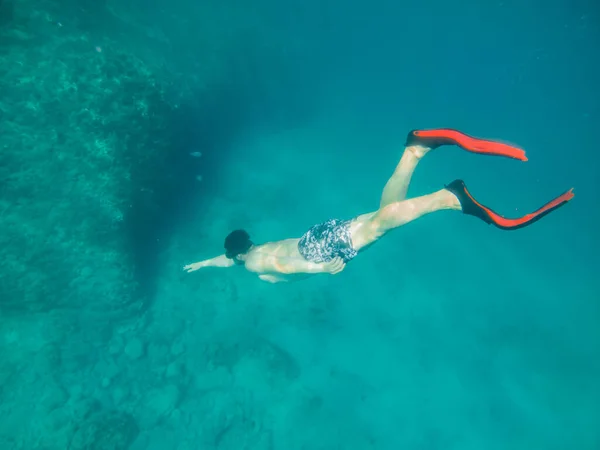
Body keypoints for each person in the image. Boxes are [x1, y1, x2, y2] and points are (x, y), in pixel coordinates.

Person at [183, 128, 574, 283]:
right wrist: (202, 263)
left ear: (238, 253)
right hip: (314, 234)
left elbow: (284, 266)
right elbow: (230, 259)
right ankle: (415, 152)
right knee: (379, 217)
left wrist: (322, 268)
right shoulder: (249, 252)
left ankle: (448, 197)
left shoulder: (252, 264)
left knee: (382, 223)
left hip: (317, 251)